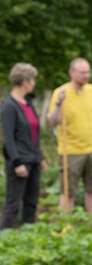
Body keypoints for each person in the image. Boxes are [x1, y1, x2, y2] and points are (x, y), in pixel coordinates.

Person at [46, 57, 92, 212]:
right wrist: (59, 103)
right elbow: (52, 122)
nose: (86, 75)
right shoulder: (60, 92)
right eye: (82, 72)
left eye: (88, 72)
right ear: (71, 73)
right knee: (68, 192)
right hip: (70, 151)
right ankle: (67, 225)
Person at [2, 63, 43, 228]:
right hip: (19, 162)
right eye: (32, 79)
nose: (33, 83)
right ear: (24, 81)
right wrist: (17, 162)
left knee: (31, 202)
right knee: (13, 204)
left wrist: (39, 157)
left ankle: (28, 239)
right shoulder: (9, 106)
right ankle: (6, 241)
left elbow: (34, 132)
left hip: (33, 160)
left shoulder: (28, 103)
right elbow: (8, 138)